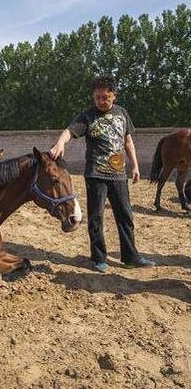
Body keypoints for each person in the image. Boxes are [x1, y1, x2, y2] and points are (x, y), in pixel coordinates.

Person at [49, 76, 155, 273]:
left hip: (119, 175)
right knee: (96, 217)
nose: (100, 101)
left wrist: (135, 166)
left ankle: (130, 256)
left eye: (105, 97)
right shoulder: (87, 116)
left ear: (114, 95)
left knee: (125, 215)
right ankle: (98, 257)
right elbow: (69, 131)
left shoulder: (122, 113)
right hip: (95, 174)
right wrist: (60, 143)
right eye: (97, 97)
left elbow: (128, 141)